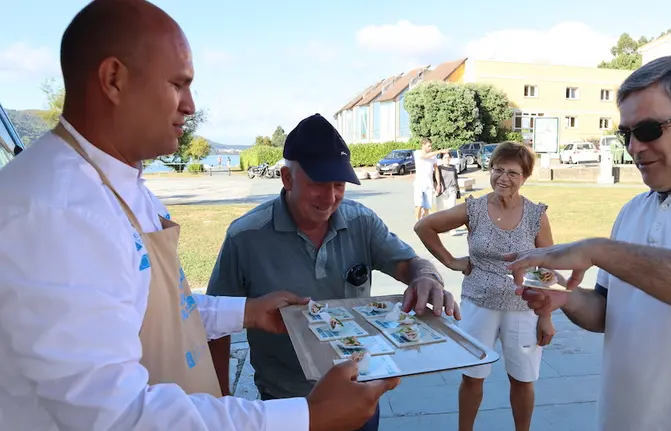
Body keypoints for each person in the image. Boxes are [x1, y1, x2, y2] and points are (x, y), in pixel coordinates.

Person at [0, 1, 394, 430]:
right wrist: (306, 415)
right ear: (114, 79)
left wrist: (247, 311)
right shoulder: (57, 211)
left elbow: (160, 310)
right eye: (178, 84)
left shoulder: (116, 184)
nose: (190, 105)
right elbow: (114, 415)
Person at [506, 55, 671, 431]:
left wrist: (599, 250)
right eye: (624, 134)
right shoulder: (633, 210)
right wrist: (565, 298)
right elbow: (608, 312)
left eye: (647, 129)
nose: (633, 147)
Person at [206, 113, 461, 431]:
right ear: (287, 178)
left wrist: (427, 277)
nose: (330, 199)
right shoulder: (244, 236)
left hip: (358, 397)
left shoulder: (361, 222)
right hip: (287, 407)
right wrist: (220, 401)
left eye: (338, 185)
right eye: (317, 185)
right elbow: (215, 327)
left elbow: (410, 264)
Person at [414, 141, 556, 431]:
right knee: (472, 376)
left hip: (523, 308)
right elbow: (424, 227)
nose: (504, 178)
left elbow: (548, 268)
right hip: (479, 304)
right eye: (498, 170)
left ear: (525, 177)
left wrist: (546, 316)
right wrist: (452, 261)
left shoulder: (535, 215)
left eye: (513, 173)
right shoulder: (475, 208)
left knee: (523, 379)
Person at [413, 137, 448, 220]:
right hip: (419, 184)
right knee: (419, 205)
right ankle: (417, 223)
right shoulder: (417, 153)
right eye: (428, 146)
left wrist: (438, 184)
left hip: (429, 184)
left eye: (431, 146)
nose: (430, 148)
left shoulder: (433, 157)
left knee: (427, 208)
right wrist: (440, 151)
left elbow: (436, 170)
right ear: (423, 145)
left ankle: (424, 223)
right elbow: (424, 156)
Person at [434, 151, 461, 235]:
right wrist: (436, 188)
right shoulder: (439, 168)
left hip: (452, 189)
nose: (447, 159)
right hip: (442, 191)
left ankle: (452, 229)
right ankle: (441, 227)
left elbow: (456, 179)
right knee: (441, 210)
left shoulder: (453, 168)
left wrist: (458, 190)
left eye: (448, 157)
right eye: (445, 157)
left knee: (452, 209)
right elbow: (435, 179)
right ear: (442, 159)